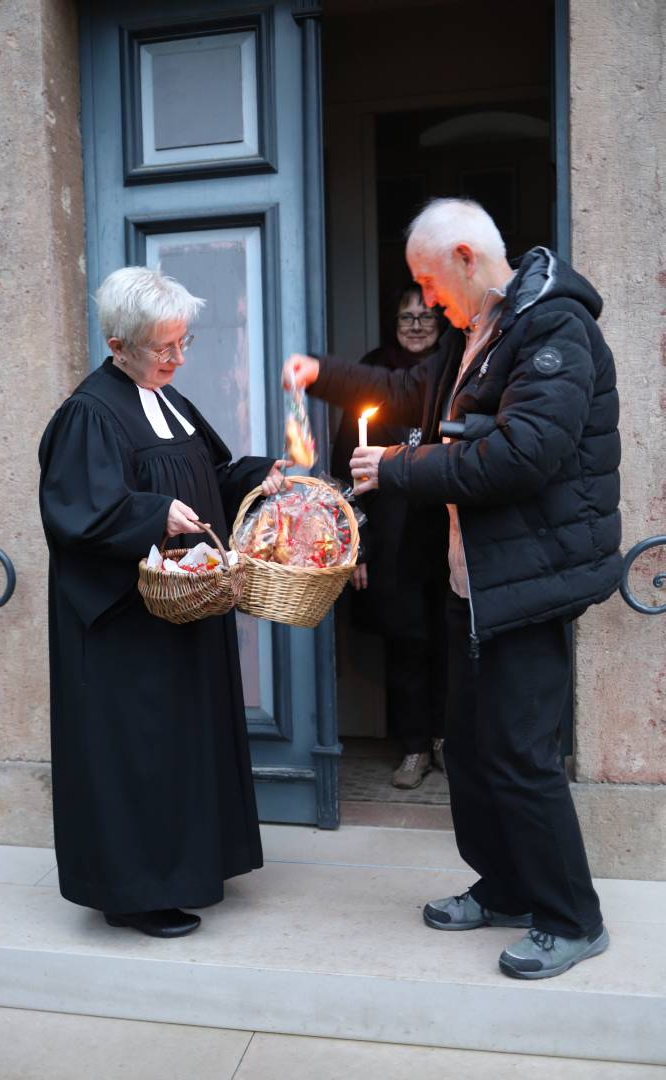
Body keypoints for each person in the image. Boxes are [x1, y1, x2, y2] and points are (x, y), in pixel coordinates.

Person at [283, 198, 621, 980]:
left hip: (530, 585)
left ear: (467, 258)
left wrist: (399, 469)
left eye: (431, 283)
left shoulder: (552, 328)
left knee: (521, 754)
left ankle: (572, 917)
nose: (429, 302)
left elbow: (524, 455)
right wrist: (322, 374)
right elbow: (404, 393)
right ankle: (503, 887)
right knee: (468, 747)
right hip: (475, 586)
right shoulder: (479, 335)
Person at [39, 266, 289, 939]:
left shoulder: (168, 398)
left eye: (184, 343)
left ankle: (193, 865)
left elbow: (205, 475)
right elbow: (77, 514)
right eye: (164, 348)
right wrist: (153, 514)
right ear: (118, 346)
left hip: (180, 612)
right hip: (127, 629)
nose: (178, 359)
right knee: (140, 754)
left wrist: (258, 476)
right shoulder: (90, 412)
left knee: (184, 746)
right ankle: (133, 893)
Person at [330, 286, 449, 789]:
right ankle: (416, 747)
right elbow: (344, 465)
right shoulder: (375, 371)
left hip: (449, 534)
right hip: (392, 538)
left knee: (453, 640)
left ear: (443, 322)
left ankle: (448, 742)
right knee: (407, 644)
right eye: (406, 316)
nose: (416, 325)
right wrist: (356, 543)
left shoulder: (458, 367)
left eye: (425, 316)